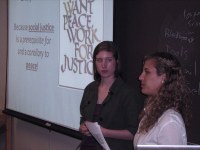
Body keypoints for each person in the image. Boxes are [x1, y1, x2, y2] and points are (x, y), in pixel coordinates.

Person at [79, 41, 141, 150]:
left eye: (109, 60)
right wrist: (83, 127)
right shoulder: (90, 89)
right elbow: (84, 118)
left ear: (116, 62)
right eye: (99, 60)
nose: (103, 65)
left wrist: (105, 132)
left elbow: (134, 132)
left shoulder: (128, 94)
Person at [134, 51, 192, 146]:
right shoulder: (152, 112)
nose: (140, 77)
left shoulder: (170, 122)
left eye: (147, 72)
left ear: (163, 77)